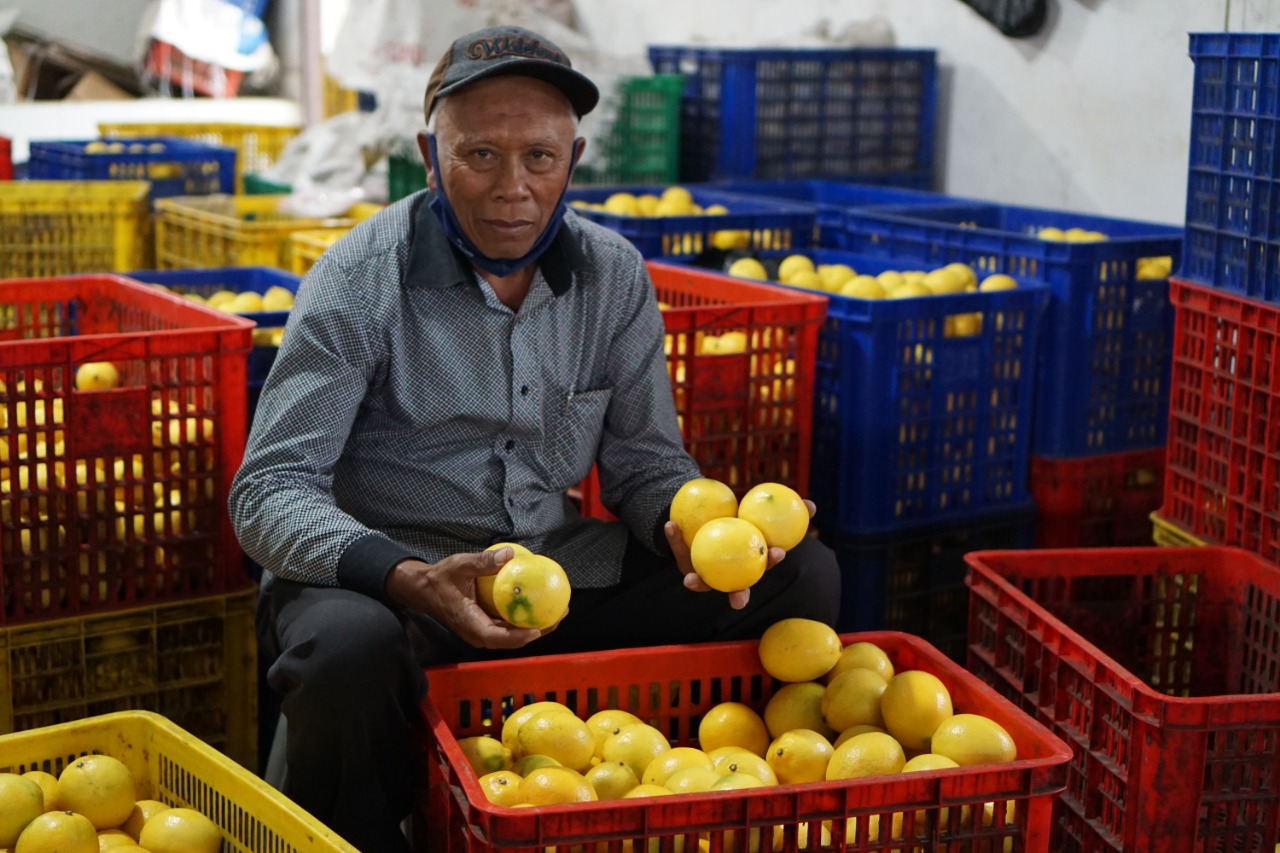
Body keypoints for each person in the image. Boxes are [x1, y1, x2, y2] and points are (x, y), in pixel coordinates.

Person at [229, 23, 840, 853]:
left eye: (539, 158)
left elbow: (646, 463)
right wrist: (404, 574)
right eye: (479, 154)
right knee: (343, 649)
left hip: (550, 574)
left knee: (800, 571)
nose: (512, 187)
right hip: (391, 578)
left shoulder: (613, 275)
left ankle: (678, 796)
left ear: (574, 159)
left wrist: (690, 526)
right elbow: (267, 491)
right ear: (429, 150)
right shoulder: (358, 276)